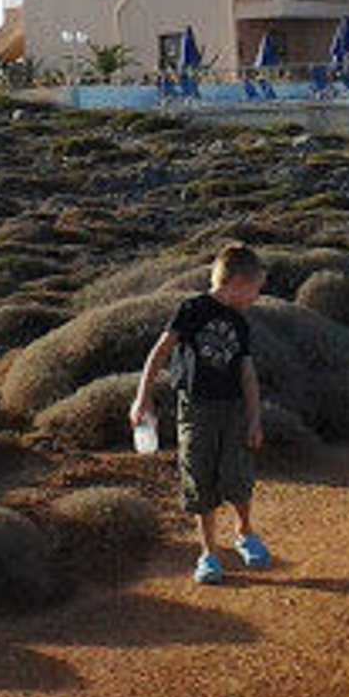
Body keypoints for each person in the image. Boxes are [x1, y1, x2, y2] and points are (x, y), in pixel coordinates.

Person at [129, 243, 269, 585]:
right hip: (195, 409)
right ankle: (209, 554)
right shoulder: (192, 309)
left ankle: (245, 532)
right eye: (255, 289)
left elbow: (247, 374)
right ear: (237, 283)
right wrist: (142, 398)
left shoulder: (240, 322)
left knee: (237, 474)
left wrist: (254, 418)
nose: (256, 297)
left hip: (233, 409)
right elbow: (160, 351)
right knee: (199, 477)